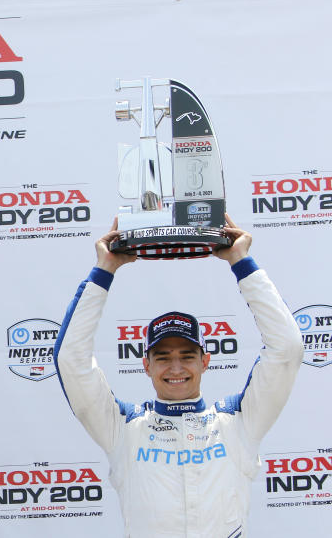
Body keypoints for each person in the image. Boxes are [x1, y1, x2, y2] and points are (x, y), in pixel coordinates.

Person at [53, 216, 303, 537]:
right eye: (163, 357)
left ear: (205, 362)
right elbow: (70, 360)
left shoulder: (239, 423)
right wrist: (104, 270)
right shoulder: (123, 430)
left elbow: (287, 349)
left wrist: (241, 261)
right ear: (146, 365)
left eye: (187, 356)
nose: (175, 368)